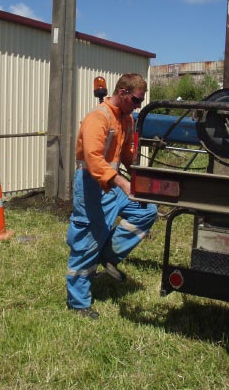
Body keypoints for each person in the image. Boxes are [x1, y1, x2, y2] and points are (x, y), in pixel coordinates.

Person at [66, 73, 158, 319]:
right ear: (123, 93)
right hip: (92, 185)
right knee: (88, 240)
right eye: (136, 100)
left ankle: (108, 256)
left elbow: (126, 156)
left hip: (114, 185)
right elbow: (93, 158)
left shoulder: (125, 119)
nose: (138, 106)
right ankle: (78, 303)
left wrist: (141, 178)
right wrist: (123, 183)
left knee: (146, 211)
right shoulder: (98, 116)